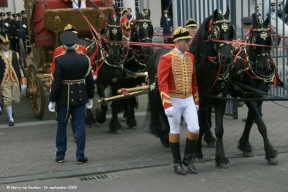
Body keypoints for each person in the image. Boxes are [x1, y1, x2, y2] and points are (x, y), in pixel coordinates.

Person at [158, 26, 199, 175]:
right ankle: (176, 163)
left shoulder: (190, 57)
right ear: (178, 41)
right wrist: (167, 104)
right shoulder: (166, 58)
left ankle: (187, 159)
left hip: (188, 99)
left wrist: (196, 101)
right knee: (175, 130)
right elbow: (162, 83)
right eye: (186, 40)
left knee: (195, 128)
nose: (189, 42)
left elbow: (194, 81)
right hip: (174, 100)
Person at [48, 31, 94, 164]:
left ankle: (60, 155)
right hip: (80, 96)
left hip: (63, 98)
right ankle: (80, 156)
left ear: (63, 45)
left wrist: (52, 99)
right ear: (76, 44)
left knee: (62, 126)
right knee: (80, 126)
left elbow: (56, 83)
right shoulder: (84, 58)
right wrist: (90, 97)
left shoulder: (59, 59)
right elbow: (89, 80)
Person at [0, 31, 27, 126]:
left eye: (8, 43)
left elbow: (20, 68)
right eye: (4, 44)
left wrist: (23, 81)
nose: (6, 45)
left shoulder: (15, 54)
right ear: (0, 45)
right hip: (4, 82)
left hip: (14, 80)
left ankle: (9, 112)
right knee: (7, 99)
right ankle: (11, 119)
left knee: (15, 99)